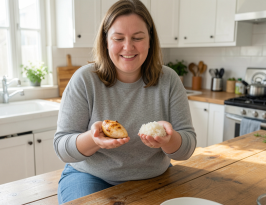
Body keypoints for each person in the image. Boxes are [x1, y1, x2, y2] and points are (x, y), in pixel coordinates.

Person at [54, 0, 196, 203]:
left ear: (150, 40)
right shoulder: (84, 80)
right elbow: (61, 147)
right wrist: (94, 140)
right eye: (118, 38)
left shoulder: (169, 80)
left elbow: (187, 148)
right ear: (105, 41)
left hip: (154, 177)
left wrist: (169, 139)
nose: (128, 47)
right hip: (89, 177)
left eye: (138, 38)